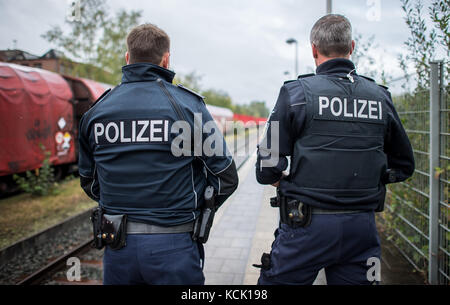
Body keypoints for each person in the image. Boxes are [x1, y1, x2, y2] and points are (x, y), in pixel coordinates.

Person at [255, 14, 414, 285]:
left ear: (313, 49)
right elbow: (403, 165)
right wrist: (371, 178)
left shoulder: (295, 94)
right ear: (351, 47)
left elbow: (267, 165)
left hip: (304, 226)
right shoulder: (380, 97)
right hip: (362, 230)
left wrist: (280, 180)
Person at [78, 23, 239, 285]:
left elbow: (89, 180)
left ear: (127, 57)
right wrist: (197, 210)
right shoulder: (188, 107)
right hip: (175, 245)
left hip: (117, 246)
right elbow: (225, 177)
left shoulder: (97, 112)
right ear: (166, 59)